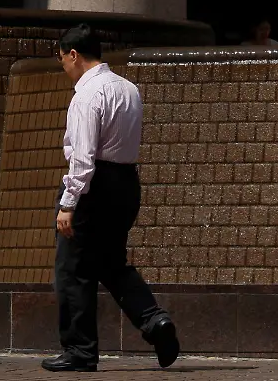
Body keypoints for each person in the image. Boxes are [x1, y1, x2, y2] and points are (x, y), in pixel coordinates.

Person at [41, 23, 180, 373]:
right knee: (111, 263)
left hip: (93, 187)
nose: (63, 66)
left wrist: (68, 203)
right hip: (126, 183)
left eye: (62, 58)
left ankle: (79, 351)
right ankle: (155, 321)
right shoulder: (128, 89)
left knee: (72, 269)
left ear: (74, 55)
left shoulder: (87, 95)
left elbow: (83, 158)